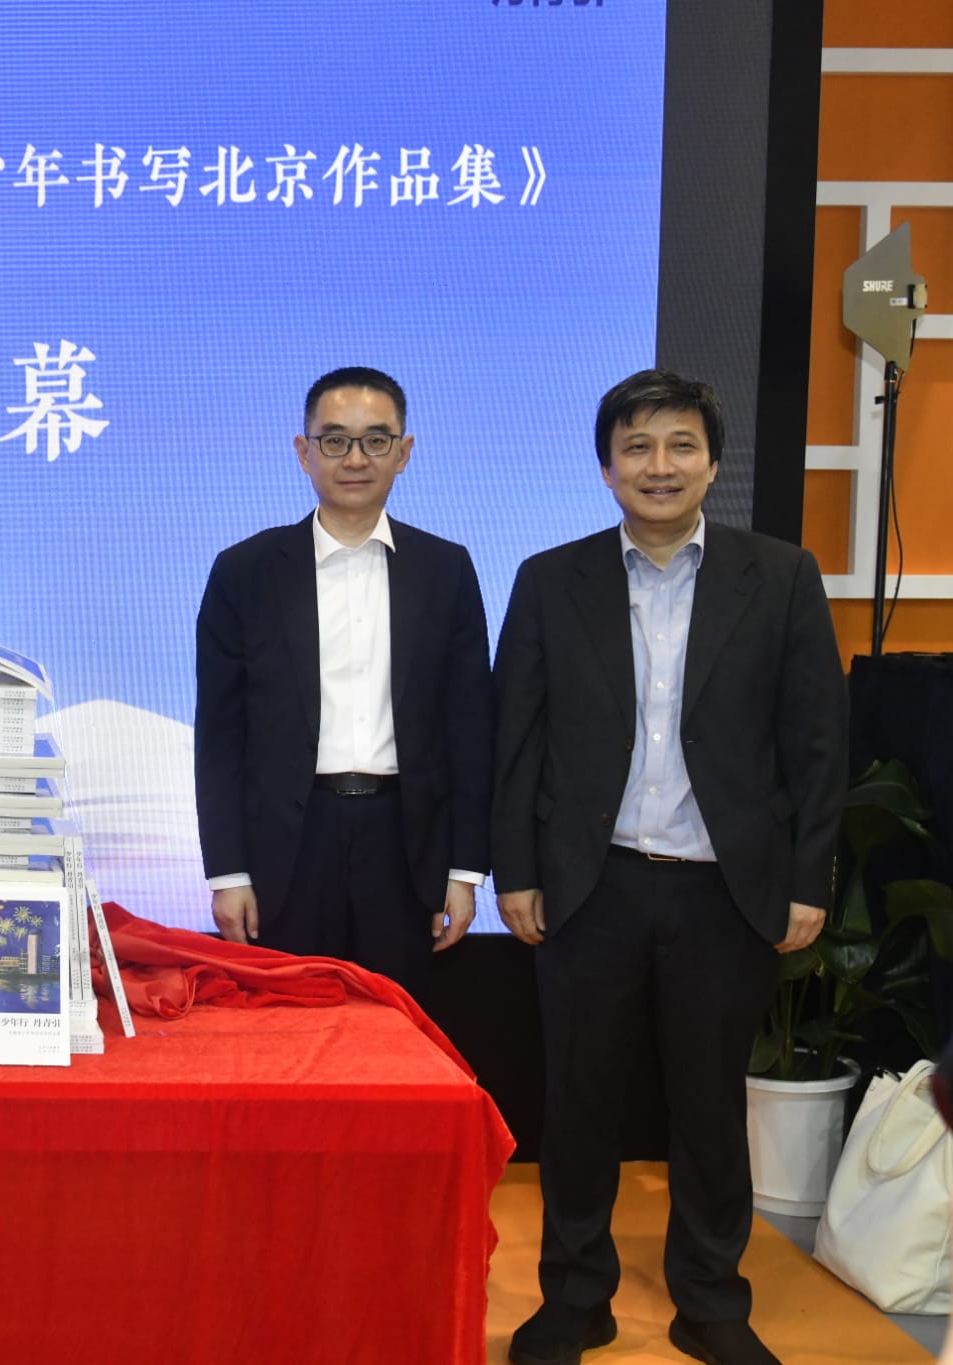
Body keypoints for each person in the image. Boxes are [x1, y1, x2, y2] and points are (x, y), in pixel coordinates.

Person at [494, 369, 846, 1365]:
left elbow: (816, 741)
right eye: (637, 446)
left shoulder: (779, 575)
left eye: (680, 445)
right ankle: (574, 1298)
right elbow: (515, 739)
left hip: (721, 890)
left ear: (712, 462)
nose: (659, 465)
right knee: (577, 1106)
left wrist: (806, 879)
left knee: (708, 1108)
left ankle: (711, 1301)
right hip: (589, 885)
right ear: (606, 466)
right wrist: (515, 870)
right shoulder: (549, 579)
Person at [194, 365, 492, 996]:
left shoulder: (445, 569)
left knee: (395, 1026)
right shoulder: (245, 572)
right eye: (334, 440)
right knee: (290, 1028)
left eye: (376, 440)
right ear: (303, 452)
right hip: (287, 848)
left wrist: (465, 871)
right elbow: (220, 737)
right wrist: (227, 874)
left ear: (404, 453)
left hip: (405, 844)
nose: (356, 459)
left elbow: (469, 727)